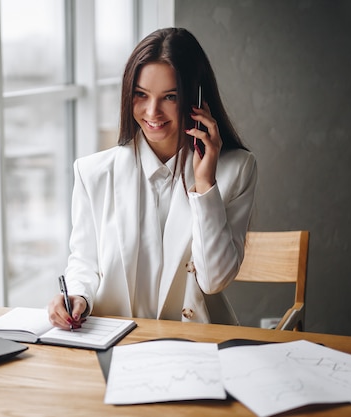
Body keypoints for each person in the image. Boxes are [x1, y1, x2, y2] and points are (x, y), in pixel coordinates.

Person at [48, 27, 257, 330]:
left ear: (197, 97)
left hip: (195, 345)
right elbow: (84, 261)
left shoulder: (236, 169)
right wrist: (77, 296)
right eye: (141, 95)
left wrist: (205, 184)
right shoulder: (92, 172)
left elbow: (213, 281)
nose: (152, 112)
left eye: (170, 96)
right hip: (114, 340)